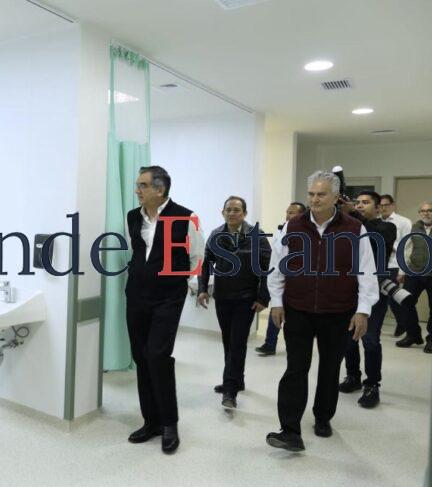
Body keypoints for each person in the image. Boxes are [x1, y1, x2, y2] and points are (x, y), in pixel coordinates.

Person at [265, 170, 378, 452]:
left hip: (337, 312)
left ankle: (323, 416)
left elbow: (366, 271)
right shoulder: (292, 226)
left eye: (321, 194)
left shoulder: (355, 229)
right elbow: (277, 267)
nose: (314, 200)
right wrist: (276, 301)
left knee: (330, 368)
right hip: (298, 309)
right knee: (296, 368)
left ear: (336, 197)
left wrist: (363, 310)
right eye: (311, 194)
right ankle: (290, 430)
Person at [125, 165, 204, 455]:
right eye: (138, 185)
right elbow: (137, 252)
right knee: (141, 357)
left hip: (167, 298)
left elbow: (197, 257)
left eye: (143, 185)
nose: (137, 190)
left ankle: (170, 424)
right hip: (136, 296)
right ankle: (151, 421)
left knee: (158, 356)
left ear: (160, 190)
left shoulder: (185, 217)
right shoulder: (133, 216)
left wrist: (190, 287)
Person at [198, 196, 270, 409]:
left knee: (237, 343)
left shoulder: (256, 236)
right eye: (228, 209)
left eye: (236, 210)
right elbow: (205, 264)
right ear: (223, 212)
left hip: (246, 299)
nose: (232, 213)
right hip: (223, 297)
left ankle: (230, 390)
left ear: (244, 213)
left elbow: (267, 269)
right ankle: (237, 380)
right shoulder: (216, 235)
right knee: (228, 342)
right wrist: (202, 289)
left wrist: (263, 297)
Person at [338, 191, 396, 408]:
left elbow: (372, 239)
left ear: (378, 208)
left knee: (370, 339)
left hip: (374, 292)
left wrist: (353, 214)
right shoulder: (350, 226)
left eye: (366, 202)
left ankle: (372, 385)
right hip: (349, 290)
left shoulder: (386, 228)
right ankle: (353, 376)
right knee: (349, 338)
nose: (360, 205)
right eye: (358, 203)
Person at [255, 202, 307, 356]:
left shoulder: (306, 232)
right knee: (276, 310)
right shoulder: (282, 229)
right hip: (280, 278)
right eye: (287, 212)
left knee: (294, 317)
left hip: (297, 280)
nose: (288, 215)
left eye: (292, 213)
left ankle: (294, 346)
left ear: (301, 215)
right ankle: (270, 344)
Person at [395, 201, 432, 352]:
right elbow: (406, 249)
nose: (426, 213)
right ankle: (413, 335)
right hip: (414, 273)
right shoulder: (414, 227)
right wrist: (402, 271)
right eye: (423, 211)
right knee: (405, 302)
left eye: (429, 210)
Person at [379, 194, 413, 337]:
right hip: (379, 265)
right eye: (380, 205)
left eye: (386, 205)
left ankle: (403, 323)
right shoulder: (376, 221)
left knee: (393, 298)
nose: (383, 208)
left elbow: (407, 247)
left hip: (394, 264)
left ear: (393, 205)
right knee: (379, 298)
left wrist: (402, 270)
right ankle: (376, 326)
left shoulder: (403, 222)